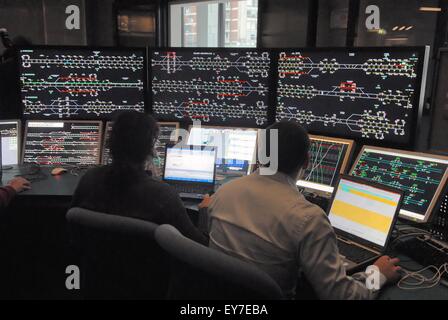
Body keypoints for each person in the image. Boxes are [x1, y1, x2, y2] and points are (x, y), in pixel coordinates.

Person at [199, 121, 401, 299]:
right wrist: (377, 274)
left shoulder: (224, 192)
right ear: (307, 161)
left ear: (260, 156)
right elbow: (342, 296)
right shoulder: (308, 218)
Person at [71, 110, 206, 245]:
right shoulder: (163, 196)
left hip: (94, 262)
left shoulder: (89, 180)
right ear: (150, 149)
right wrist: (205, 213)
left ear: (110, 143)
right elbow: (198, 244)